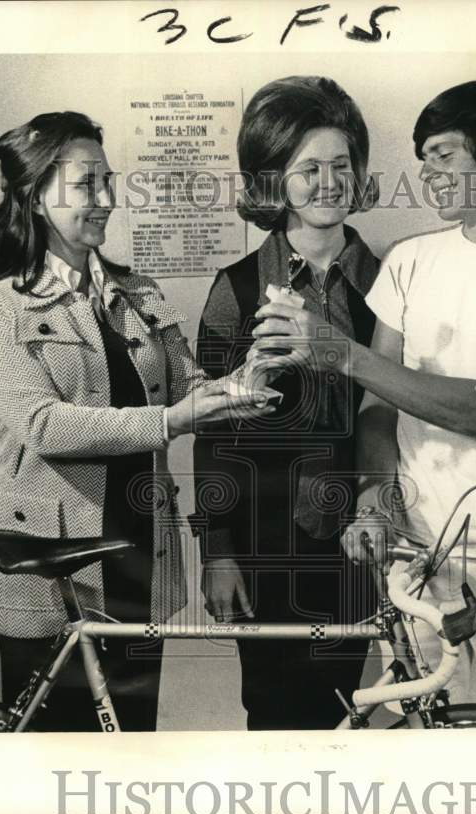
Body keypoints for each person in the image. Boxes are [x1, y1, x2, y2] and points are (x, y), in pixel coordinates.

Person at [251, 80, 476, 718]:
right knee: (428, 737)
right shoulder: (411, 261)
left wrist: (333, 347)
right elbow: (379, 405)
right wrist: (371, 499)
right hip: (415, 554)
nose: (427, 175)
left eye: (442, 155)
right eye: (423, 160)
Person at [0, 111, 271, 731]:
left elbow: (191, 389)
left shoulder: (140, 291)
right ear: (35, 196)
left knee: (129, 737)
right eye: (86, 185)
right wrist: (173, 420)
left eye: (109, 181)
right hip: (52, 556)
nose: (105, 200)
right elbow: (45, 426)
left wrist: (253, 377)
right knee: (50, 752)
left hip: (137, 548)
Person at [192, 76, 380, 729]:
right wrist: (217, 552)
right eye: (308, 168)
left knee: (342, 710)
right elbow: (211, 433)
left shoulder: (395, 284)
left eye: (341, 165)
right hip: (264, 542)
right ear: (275, 181)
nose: (329, 182)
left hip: (365, 535)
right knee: (273, 714)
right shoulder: (235, 290)